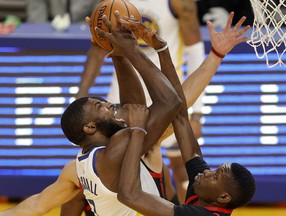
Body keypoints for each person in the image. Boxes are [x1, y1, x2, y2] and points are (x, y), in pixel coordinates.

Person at [0, 12, 182, 216]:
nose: (108, 105)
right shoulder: (117, 150)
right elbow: (170, 102)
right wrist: (132, 50)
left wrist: (117, 53)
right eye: (99, 107)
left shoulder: (76, 167)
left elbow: (37, 205)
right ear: (90, 127)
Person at [117, 12, 256, 216]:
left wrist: (130, 51)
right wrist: (162, 50)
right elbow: (179, 114)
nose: (206, 171)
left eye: (215, 176)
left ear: (223, 198)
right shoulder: (206, 188)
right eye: (214, 170)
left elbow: (129, 195)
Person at [76, 0, 206, 203]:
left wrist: (197, 112)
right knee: (115, 169)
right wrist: (80, 96)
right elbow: (96, 53)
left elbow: (195, 49)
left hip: (164, 91)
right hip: (122, 98)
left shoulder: (179, 2)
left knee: (181, 168)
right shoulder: (108, 5)